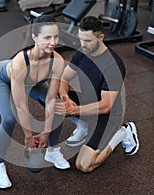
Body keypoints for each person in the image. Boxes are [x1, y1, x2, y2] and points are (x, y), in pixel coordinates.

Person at [0, 15, 70, 189]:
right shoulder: (20, 62)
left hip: (31, 83)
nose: (52, 42)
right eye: (47, 37)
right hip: (1, 79)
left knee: (58, 106)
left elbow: (50, 99)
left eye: (55, 37)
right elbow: (21, 106)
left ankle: (53, 151)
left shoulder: (57, 61)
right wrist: (29, 137)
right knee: (8, 119)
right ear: (35, 37)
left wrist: (46, 133)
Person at [55, 16, 140, 173]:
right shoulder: (82, 52)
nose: (83, 45)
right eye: (81, 40)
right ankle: (84, 126)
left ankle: (122, 132)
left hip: (107, 116)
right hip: (87, 105)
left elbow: (105, 106)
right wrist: (65, 97)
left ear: (101, 37)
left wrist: (72, 110)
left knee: (84, 165)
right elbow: (63, 77)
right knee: (52, 95)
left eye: (88, 41)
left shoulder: (113, 65)